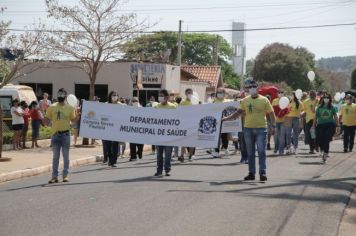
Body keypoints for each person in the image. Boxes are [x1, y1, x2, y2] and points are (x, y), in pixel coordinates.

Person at [224, 80, 275, 181]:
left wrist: (273, 126)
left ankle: (262, 173)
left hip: (261, 129)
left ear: (257, 89)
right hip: (248, 129)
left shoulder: (264, 100)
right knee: (250, 152)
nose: (251, 89)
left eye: (253, 87)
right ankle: (251, 173)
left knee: (261, 152)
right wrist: (227, 118)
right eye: (249, 87)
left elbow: (271, 114)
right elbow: (238, 113)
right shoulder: (245, 100)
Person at [44, 88, 78, 183]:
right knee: (55, 156)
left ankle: (65, 175)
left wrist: (78, 115)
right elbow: (46, 119)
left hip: (66, 135)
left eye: (62, 94)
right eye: (59, 94)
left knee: (65, 156)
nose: (60, 96)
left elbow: (73, 120)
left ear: (65, 97)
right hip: (55, 135)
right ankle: (54, 177)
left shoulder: (70, 108)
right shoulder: (52, 107)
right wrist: (44, 120)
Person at [154, 89, 177, 177]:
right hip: (159, 135)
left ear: (167, 97)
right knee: (159, 154)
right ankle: (159, 170)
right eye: (159, 95)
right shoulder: (156, 106)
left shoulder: (173, 107)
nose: (160, 97)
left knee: (168, 153)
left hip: (169, 134)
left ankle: (167, 169)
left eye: (162, 95)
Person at [313, 94, 338, 163]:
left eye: (327, 98)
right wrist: (313, 125)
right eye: (325, 97)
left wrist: (338, 125)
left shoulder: (332, 107)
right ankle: (321, 149)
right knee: (319, 139)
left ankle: (325, 154)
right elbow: (315, 117)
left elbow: (335, 116)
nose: (326, 99)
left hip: (330, 125)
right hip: (320, 125)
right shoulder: (319, 107)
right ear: (322, 99)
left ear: (330, 99)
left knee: (326, 140)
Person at [102, 91, 121, 167]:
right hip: (107, 128)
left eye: (116, 95)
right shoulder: (106, 104)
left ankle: (114, 161)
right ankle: (110, 159)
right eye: (113, 95)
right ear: (110, 96)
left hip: (116, 128)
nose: (115, 96)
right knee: (108, 145)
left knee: (115, 145)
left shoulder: (120, 105)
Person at [210, 87, 230, 158]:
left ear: (224, 93)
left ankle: (226, 149)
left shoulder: (227, 101)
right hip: (216, 121)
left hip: (225, 120)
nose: (219, 94)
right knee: (216, 137)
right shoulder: (214, 101)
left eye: (221, 92)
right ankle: (216, 151)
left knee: (224, 136)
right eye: (218, 92)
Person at [178, 88, 196, 162]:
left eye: (191, 93)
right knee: (184, 142)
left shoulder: (195, 102)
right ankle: (182, 156)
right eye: (189, 93)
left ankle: (191, 155)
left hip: (193, 124)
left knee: (191, 141)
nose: (190, 94)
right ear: (185, 94)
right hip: (185, 124)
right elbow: (179, 113)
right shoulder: (182, 103)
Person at [271, 90, 288, 155]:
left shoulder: (286, 100)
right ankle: (276, 148)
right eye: (279, 93)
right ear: (277, 94)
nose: (280, 94)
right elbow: (272, 111)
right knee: (275, 136)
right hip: (276, 121)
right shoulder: (274, 101)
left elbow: (287, 110)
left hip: (283, 121)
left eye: (281, 93)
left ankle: (281, 150)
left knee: (282, 136)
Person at [129, 97, 144, 161]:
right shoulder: (129, 109)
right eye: (133, 101)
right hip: (132, 129)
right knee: (132, 143)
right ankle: (133, 156)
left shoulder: (142, 108)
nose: (135, 102)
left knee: (140, 143)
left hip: (140, 129)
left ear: (138, 101)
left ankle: (139, 153)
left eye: (136, 101)